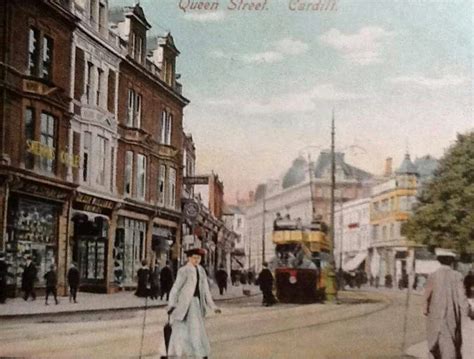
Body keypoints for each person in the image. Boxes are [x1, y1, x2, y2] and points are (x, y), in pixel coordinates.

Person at [165, 248, 221, 358]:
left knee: (196, 329)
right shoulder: (184, 270)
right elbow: (176, 288)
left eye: (199, 258)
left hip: (196, 303)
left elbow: (205, 290)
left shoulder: (201, 270)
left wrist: (213, 306)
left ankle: (199, 354)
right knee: (181, 329)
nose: (197, 260)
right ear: (189, 258)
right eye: (194, 258)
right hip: (185, 303)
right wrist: (171, 304)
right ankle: (177, 353)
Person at [423, 252, 470, 359]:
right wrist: (467, 312)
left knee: (435, 345)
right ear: (452, 261)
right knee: (450, 347)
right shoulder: (457, 276)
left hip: (435, 317)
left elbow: (426, 296)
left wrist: (426, 309)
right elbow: (462, 299)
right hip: (451, 317)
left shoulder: (433, 276)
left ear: (439, 261)